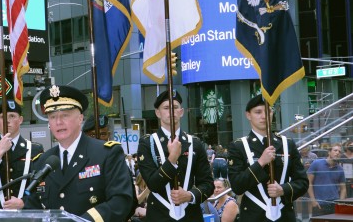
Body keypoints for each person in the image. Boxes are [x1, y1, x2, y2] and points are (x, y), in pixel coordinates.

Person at [24, 85, 133, 221]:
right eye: (52, 117)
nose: (58, 122)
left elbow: (121, 201)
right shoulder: (43, 161)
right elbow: (32, 207)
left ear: (80, 118)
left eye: (65, 115)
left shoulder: (106, 153)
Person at [228, 95, 309, 222]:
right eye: (258, 112)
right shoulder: (239, 146)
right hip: (253, 216)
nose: (264, 116)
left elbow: (303, 183)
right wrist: (260, 162)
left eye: (268, 111)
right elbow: (237, 186)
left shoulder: (287, 144)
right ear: (248, 115)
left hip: (284, 216)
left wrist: (283, 189)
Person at [137, 90, 214, 221]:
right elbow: (153, 184)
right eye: (166, 108)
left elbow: (207, 183)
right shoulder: (147, 143)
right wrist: (172, 160)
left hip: (190, 215)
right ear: (157, 113)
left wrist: (190, 195)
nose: (171, 111)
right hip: (160, 215)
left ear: (182, 112)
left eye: (175, 107)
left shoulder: (194, 143)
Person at [307, 143, 346, 216]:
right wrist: (313, 200)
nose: (337, 153)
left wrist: (340, 203)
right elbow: (309, 183)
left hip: (334, 204)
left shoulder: (340, 169)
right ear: (329, 152)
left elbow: (343, 188)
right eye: (335, 150)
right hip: (319, 203)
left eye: (339, 152)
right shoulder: (316, 163)